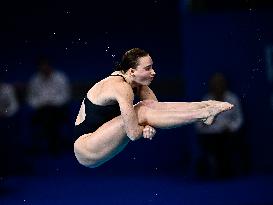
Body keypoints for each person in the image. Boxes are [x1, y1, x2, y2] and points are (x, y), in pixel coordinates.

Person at [74, 48, 233, 168]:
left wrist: (202, 103)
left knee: (147, 107)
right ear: (132, 71)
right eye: (147, 68)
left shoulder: (137, 84)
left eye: (152, 67)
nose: (153, 72)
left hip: (102, 139)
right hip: (87, 148)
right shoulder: (121, 87)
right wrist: (143, 128)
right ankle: (204, 114)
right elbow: (133, 133)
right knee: (142, 110)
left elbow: (156, 111)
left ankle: (206, 106)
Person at [195, 73, 244, 179]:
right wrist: (205, 128)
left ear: (225, 84)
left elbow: (239, 119)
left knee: (228, 144)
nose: (218, 86)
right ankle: (213, 170)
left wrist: (231, 128)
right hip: (210, 135)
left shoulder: (232, 98)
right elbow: (199, 122)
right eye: (215, 84)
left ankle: (226, 170)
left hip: (227, 134)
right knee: (211, 144)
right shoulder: (206, 100)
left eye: (220, 83)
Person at [27, 56, 71, 155]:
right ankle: (53, 145)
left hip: (58, 108)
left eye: (45, 65)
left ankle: (50, 144)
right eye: (41, 66)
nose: (44, 68)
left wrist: (51, 102)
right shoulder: (34, 80)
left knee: (50, 116)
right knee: (46, 115)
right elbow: (31, 99)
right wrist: (43, 103)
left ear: (50, 65)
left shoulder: (60, 77)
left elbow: (65, 96)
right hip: (41, 109)